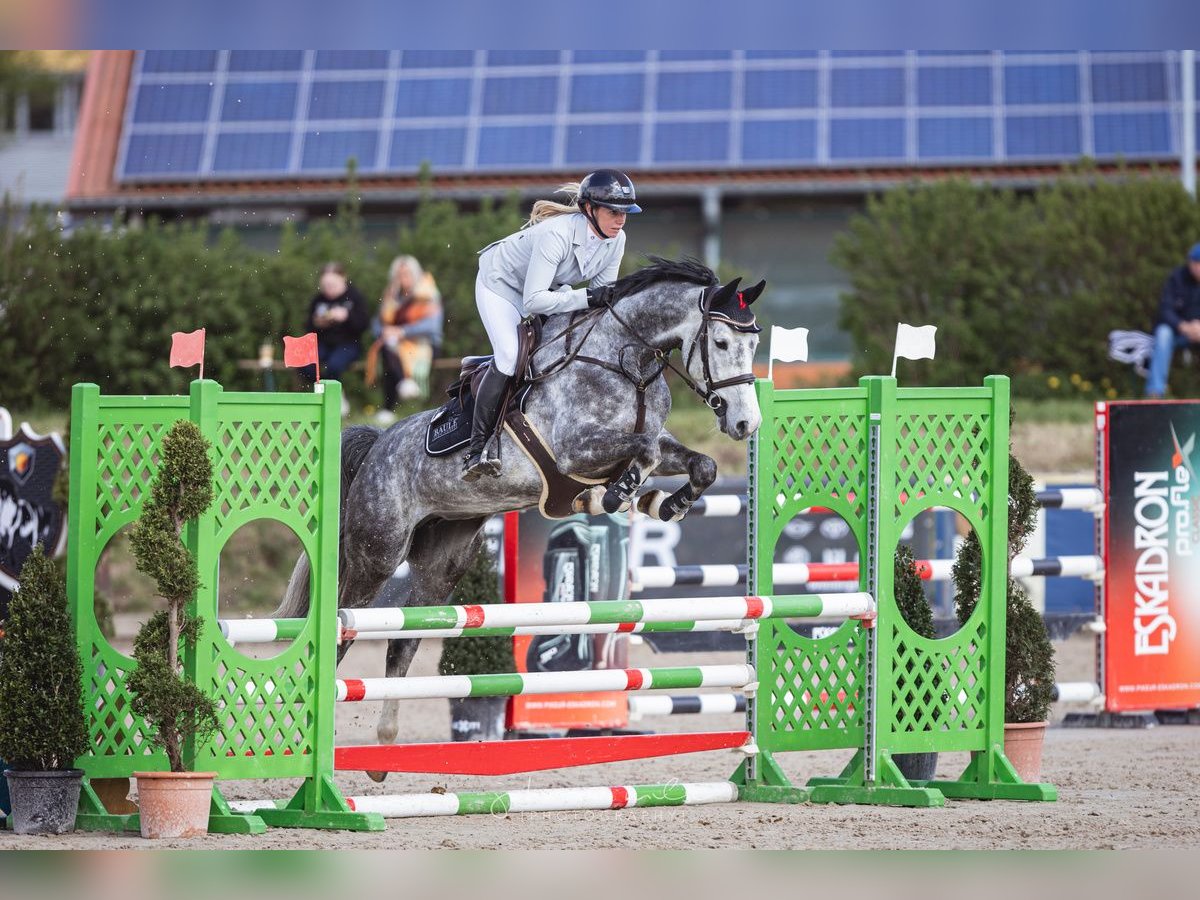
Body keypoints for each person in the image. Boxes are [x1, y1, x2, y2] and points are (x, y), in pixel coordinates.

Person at [464, 169, 642, 481]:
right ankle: (477, 448)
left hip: (547, 289)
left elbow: (600, 302)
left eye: (625, 213)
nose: (620, 220)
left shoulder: (616, 240)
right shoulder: (556, 234)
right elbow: (535, 301)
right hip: (501, 285)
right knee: (508, 356)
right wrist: (587, 297)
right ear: (590, 208)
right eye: (614, 212)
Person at [367, 255, 444, 424]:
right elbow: (377, 322)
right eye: (400, 274)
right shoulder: (391, 295)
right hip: (394, 342)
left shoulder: (428, 293)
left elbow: (432, 326)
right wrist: (384, 331)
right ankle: (403, 385)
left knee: (390, 350)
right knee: (388, 348)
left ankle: (394, 403)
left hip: (425, 342)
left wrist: (402, 331)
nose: (403, 278)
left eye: (407, 273)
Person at [302, 262, 370, 408]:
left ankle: (335, 398)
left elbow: (363, 325)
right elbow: (308, 326)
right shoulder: (318, 299)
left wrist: (347, 316)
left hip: (348, 343)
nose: (329, 289)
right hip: (323, 343)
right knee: (307, 365)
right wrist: (318, 323)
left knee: (334, 365)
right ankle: (322, 396)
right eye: (325, 286)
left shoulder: (354, 297)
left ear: (343, 279)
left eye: (332, 285)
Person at [1146, 243, 1200, 398]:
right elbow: (1165, 310)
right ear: (1190, 262)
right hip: (1178, 332)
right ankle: (1155, 392)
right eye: (1196, 264)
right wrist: (1183, 326)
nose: (1198, 268)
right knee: (1163, 333)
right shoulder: (1177, 278)